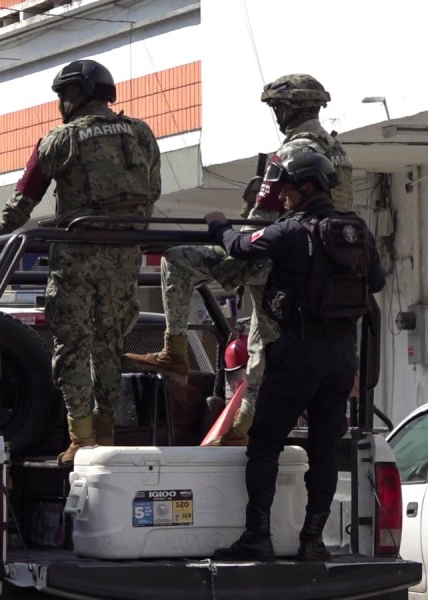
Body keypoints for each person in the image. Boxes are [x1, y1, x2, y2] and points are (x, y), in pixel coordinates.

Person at [124, 74, 352, 446]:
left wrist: (228, 231)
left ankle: (175, 351)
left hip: (275, 256)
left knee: (175, 259)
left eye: (277, 107)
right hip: (321, 268)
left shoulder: (291, 153)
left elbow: (262, 220)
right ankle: (239, 431)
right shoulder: (338, 152)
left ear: (287, 108)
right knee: (261, 350)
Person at [0, 59, 161, 467]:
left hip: (76, 259)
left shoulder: (60, 140)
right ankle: (107, 431)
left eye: (63, 97)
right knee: (109, 343)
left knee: (72, 345)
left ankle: (83, 439)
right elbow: (153, 191)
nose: (60, 105)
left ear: (75, 97)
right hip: (125, 256)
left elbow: (25, 198)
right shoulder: (141, 134)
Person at [206, 149, 385, 561]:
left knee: (265, 441)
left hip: (298, 352)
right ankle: (312, 540)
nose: (282, 196)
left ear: (305, 187)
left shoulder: (291, 232)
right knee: (324, 448)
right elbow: (375, 280)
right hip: (342, 357)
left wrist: (217, 225)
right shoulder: (357, 231)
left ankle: (258, 536)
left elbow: (239, 247)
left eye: (287, 189)